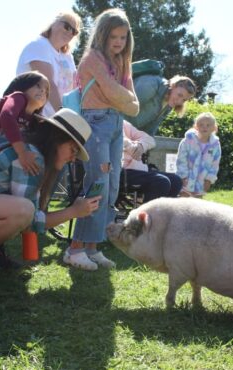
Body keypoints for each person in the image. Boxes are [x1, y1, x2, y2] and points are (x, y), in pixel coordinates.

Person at [0, 108, 100, 289]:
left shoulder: (29, 148)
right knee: (23, 211)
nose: (73, 159)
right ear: (57, 139)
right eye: (73, 149)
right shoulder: (33, 158)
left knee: (22, 209)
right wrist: (74, 211)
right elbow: (31, 221)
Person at [64, 8, 139, 271]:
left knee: (112, 185)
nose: (119, 42)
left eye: (123, 37)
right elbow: (116, 93)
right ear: (102, 36)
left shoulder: (122, 61)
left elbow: (132, 103)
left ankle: (92, 247)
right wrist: (120, 97)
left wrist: (121, 97)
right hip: (95, 125)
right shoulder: (93, 59)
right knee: (97, 183)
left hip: (116, 125)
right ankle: (75, 248)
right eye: (113, 37)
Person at [16, 11, 81, 117]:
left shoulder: (67, 57)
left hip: (56, 121)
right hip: (34, 118)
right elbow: (47, 84)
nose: (70, 32)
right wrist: (64, 116)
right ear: (54, 23)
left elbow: (75, 88)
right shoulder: (39, 45)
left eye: (74, 31)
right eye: (67, 26)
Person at [121, 120, 182, 202]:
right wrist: (130, 146)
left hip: (137, 169)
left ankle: (164, 214)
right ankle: (145, 214)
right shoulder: (101, 122)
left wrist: (141, 146)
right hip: (119, 171)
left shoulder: (122, 123)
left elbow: (150, 140)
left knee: (176, 180)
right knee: (161, 182)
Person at [125, 74, 197, 136]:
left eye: (184, 100)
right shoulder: (151, 84)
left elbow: (152, 127)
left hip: (128, 132)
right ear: (173, 86)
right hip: (117, 124)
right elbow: (125, 104)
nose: (179, 101)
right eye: (179, 95)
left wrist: (143, 143)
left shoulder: (169, 104)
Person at [176, 112, 221, 198]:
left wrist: (209, 180)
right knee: (182, 204)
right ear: (196, 126)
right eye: (201, 125)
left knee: (197, 207)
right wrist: (183, 176)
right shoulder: (187, 141)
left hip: (202, 182)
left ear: (214, 128)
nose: (205, 127)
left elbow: (215, 164)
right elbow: (181, 159)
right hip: (186, 180)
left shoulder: (215, 145)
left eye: (208, 125)